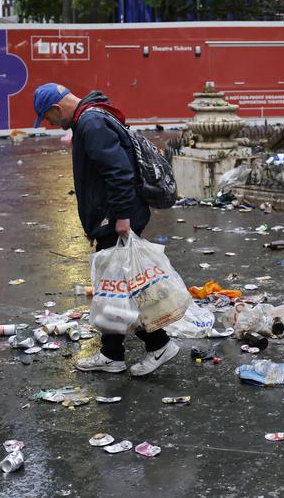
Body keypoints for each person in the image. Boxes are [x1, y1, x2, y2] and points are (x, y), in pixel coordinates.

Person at [32, 83, 180, 376]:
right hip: (113, 216)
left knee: (123, 287)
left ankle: (157, 344)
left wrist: (120, 217)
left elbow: (118, 172)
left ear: (56, 108)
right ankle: (114, 354)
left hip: (117, 217)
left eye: (48, 117)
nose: (50, 123)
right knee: (114, 287)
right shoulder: (93, 116)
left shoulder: (91, 123)